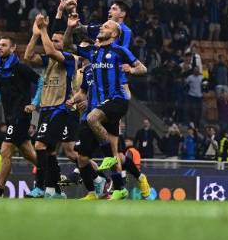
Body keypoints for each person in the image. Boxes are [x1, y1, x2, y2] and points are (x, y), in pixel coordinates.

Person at [74, 19, 147, 200]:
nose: (102, 27)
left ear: (114, 34)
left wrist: (130, 70)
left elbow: (142, 68)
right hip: (99, 107)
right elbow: (68, 45)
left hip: (116, 101)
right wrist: (69, 25)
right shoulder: (93, 54)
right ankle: (114, 189)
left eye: (106, 26)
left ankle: (129, 176)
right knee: (86, 157)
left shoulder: (119, 51)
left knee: (93, 120)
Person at [21, 14, 79, 199]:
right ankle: (56, 190)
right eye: (52, 40)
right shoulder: (49, 60)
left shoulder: (69, 58)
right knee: (51, 151)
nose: (53, 43)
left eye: (57, 41)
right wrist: (36, 34)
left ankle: (40, 186)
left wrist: (44, 29)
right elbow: (28, 56)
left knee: (39, 145)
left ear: (65, 44)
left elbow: (52, 51)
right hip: (46, 109)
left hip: (59, 109)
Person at [0, 37, 41, 198]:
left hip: (21, 115)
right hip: (10, 116)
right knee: (28, 153)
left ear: (13, 48)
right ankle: (53, 177)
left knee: (6, 149)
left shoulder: (20, 67)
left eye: (4, 45)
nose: (0, 47)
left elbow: (40, 81)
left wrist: (34, 103)